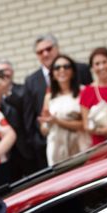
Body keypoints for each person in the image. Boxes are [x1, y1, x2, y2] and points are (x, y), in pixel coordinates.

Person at [23, 34, 92, 171]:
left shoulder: (81, 70)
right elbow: (32, 118)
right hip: (54, 147)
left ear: (57, 47)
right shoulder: (32, 81)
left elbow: (90, 113)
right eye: (40, 52)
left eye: (48, 48)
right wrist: (41, 141)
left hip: (82, 143)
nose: (45, 53)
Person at [0, 60, 35, 181]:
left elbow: (26, 116)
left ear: (12, 73)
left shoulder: (21, 90)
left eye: (7, 71)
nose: (4, 75)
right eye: (0, 73)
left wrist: (7, 92)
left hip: (24, 148)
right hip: (3, 151)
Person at [38, 55, 91, 165]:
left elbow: (85, 124)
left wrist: (57, 121)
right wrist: (47, 123)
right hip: (56, 148)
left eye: (66, 66)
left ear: (73, 71)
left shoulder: (83, 91)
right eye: (57, 67)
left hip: (79, 145)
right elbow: (44, 130)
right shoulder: (49, 97)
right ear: (52, 74)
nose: (62, 70)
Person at [80, 47, 107, 146]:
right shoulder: (87, 92)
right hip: (101, 147)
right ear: (92, 68)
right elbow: (86, 125)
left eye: (105, 62)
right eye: (97, 64)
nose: (101, 67)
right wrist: (105, 131)